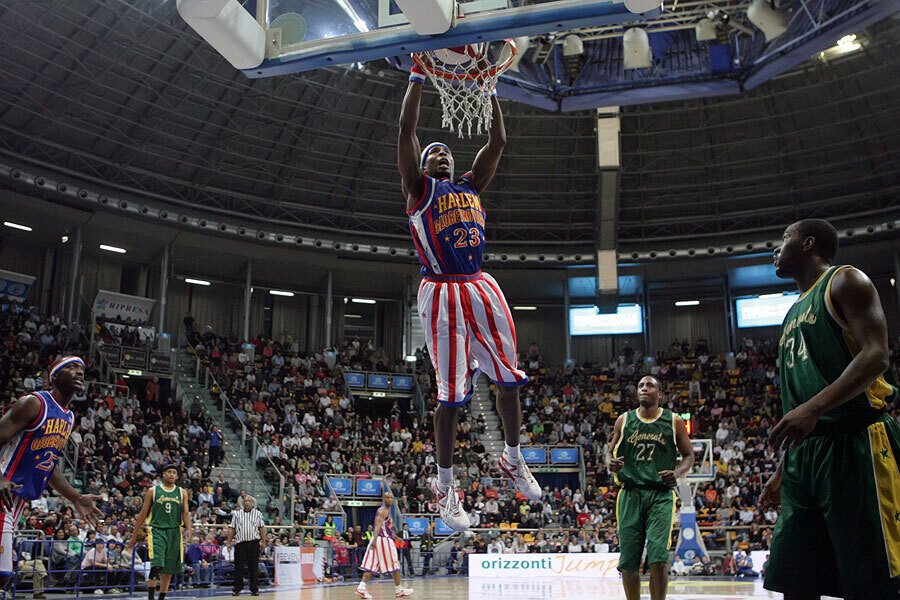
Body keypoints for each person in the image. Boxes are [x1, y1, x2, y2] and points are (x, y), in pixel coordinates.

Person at [398, 58, 540, 533]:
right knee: (452, 398)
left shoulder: (471, 187)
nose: (444, 156)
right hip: (440, 291)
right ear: (422, 166)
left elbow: (497, 142)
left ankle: (513, 458)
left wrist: (491, 88)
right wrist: (418, 77)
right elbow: (405, 132)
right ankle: (444, 484)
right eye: (434, 153)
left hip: (480, 284)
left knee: (510, 379)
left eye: (447, 153)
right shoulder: (421, 190)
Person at [762, 219, 899, 599]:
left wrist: (814, 408)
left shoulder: (845, 280)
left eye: (783, 239)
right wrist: (781, 472)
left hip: (855, 443)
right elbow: (799, 405)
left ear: (808, 243)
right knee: (795, 578)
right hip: (805, 457)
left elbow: (877, 356)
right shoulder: (791, 314)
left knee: (870, 579)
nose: (776, 249)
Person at [0, 356, 103, 589]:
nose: (79, 372)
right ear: (54, 376)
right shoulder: (33, 403)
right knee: (2, 573)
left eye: (81, 369)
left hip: (16, 499)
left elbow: (51, 465)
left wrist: (75, 497)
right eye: (71, 368)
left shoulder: (68, 417)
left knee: (4, 574)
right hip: (2, 492)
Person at [608, 375, 695, 600]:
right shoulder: (624, 420)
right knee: (628, 562)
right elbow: (607, 452)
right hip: (630, 493)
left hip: (660, 495)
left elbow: (689, 456)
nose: (644, 389)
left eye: (650, 386)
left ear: (660, 394)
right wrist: (609, 461)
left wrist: (676, 473)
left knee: (658, 557)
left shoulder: (673, 420)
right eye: (640, 386)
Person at [125, 464, 191, 600]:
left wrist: (189, 528)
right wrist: (134, 534)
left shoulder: (182, 492)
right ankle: (150, 597)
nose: (172, 474)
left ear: (177, 476)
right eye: (169, 472)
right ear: (164, 474)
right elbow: (143, 513)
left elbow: (185, 512)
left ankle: (161, 597)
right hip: (157, 530)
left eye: (174, 472)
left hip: (175, 531)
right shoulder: (153, 491)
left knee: (169, 569)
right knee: (157, 564)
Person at [356, 490, 413, 599]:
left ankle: (361, 588)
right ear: (383, 498)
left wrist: (397, 538)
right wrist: (374, 540)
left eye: (391, 498)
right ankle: (399, 590)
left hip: (380, 539)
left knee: (370, 566)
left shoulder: (386, 511)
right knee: (395, 565)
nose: (389, 499)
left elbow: (388, 529)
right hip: (383, 540)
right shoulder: (383, 511)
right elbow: (378, 526)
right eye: (387, 497)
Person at [227, 496, 265, 596]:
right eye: (245, 501)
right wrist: (229, 541)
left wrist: (264, 542)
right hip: (240, 543)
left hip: (253, 543)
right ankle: (237, 588)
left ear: (252, 503)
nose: (247, 503)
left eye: (249, 501)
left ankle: (254, 589)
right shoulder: (237, 514)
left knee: (254, 567)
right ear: (243, 503)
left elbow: (261, 528)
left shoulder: (257, 513)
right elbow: (232, 528)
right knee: (238, 567)